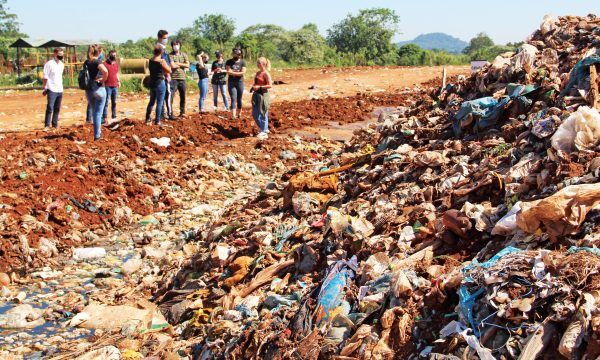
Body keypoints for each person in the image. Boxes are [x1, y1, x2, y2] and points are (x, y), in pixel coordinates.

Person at [86, 45, 109, 140]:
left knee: (94, 111)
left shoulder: (86, 62)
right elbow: (105, 71)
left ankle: (97, 133)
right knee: (98, 113)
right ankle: (97, 135)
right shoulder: (97, 61)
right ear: (98, 52)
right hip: (98, 88)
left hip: (89, 89)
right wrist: (103, 79)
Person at [146, 45, 172, 125]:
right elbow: (169, 70)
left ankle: (147, 118)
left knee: (151, 101)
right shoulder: (161, 61)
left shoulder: (150, 60)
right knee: (160, 102)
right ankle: (157, 121)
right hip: (160, 83)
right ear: (161, 52)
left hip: (152, 83)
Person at [42, 48, 65, 129]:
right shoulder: (49, 64)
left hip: (59, 88)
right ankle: (47, 125)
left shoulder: (62, 64)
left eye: (62, 55)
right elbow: (45, 77)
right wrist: (44, 87)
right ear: (54, 54)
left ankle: (54, 125)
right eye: (59, 55)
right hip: (51, 88)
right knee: (50, 107)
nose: (61, 56)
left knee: (57, 108)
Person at [251, 57, 273, 140]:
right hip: (256, 94)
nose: (257, 64)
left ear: (263, 64)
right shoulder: (257, 73)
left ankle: (264, 131)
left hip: (263, 95)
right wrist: (253, 87)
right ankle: (264, 128)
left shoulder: (266, 74)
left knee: (263, 113)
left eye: (258, 63)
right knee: (255, 113)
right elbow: (256, 82)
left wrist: (260, 87)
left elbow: (270, 85)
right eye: (257, 63)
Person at [156, 29, 175, 120]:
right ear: (159, 38)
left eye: (167, 38)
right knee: (168, 94)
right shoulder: (160, 48)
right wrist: (168, 73)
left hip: (162, 75)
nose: (166, 40)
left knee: (162, 96)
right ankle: (169, 113)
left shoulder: (161, 47)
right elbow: (163, 62)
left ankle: (162, 114)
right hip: (164, 75)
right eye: (164, 38)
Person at [168, 40, 189, 117]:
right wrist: (182, 64)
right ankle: (170, 113)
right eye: (174, 45)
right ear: (172, 46)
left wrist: (178, 64)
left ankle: (182, 112)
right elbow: (172, 66)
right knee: (171, 97)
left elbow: (188, 65)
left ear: (180, 45)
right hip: (173, 79)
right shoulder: (170, 55)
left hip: (182, 78)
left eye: (177, 44)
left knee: (183, 96)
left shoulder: (184, 55)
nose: (175, 46)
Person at [225, 48, 247, 119]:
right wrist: (238, 73)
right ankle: (233, 115)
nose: (238, 55)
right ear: (233, 54)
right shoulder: (228, 61)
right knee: (233, 98)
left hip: (240, 82)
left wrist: (233, 73)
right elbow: (228, 71)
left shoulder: (243, 62)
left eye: (240, 54)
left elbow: (243, 73)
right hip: (231, 82)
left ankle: (239, 114)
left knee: (239, 98)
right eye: (237, 54)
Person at [103, 50, 120, 123]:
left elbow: (116, 74)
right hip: (107, 86)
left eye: (115, 55)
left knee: (114, 102)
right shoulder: (104, 64)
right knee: (106, 102)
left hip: (115, 85)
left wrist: (119, 81)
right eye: (112, 55)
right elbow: (103, 74)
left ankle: (114, 116)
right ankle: (105, 117)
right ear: (109, 55)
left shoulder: (116, 64)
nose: (114, 56)